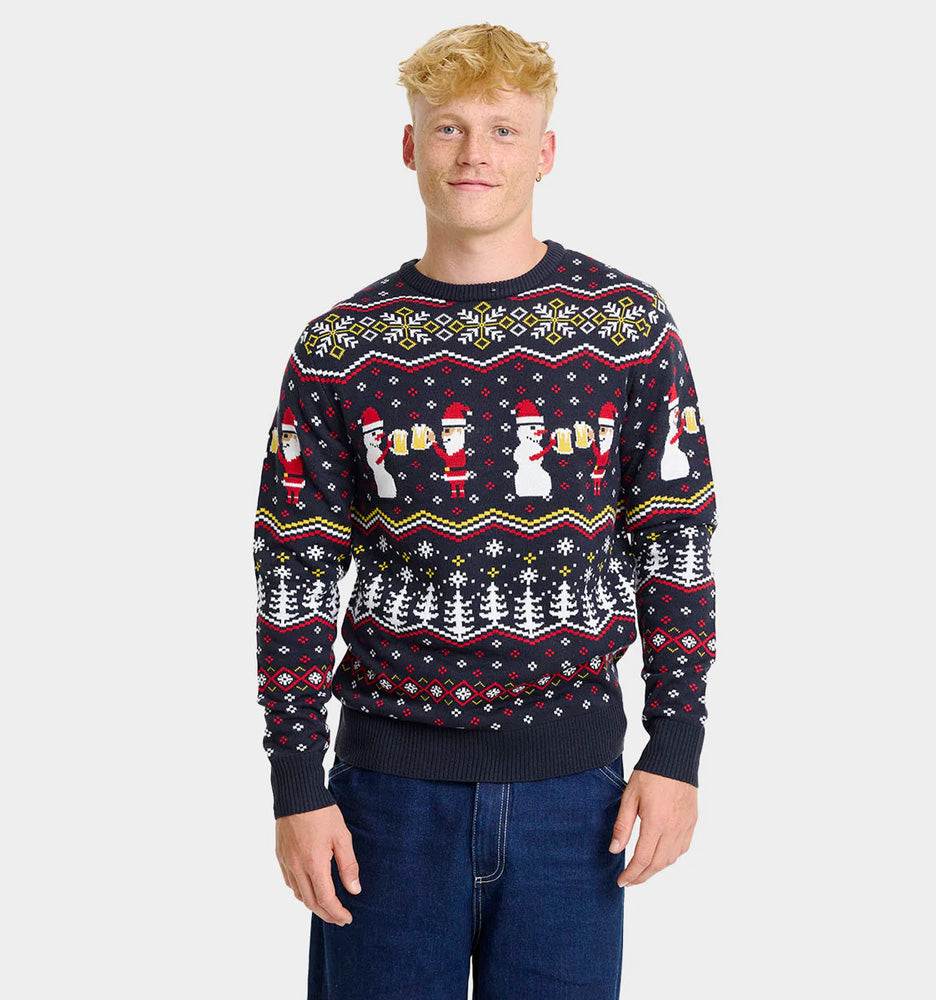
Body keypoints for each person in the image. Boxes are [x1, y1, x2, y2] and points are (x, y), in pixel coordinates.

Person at [252, 22, 720, 1000]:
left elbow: (676, 542)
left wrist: (675, 749)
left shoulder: (625, 327)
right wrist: (295, 780)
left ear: (544, 151)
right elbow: (293, 570)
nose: (475, 153)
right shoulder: (342, 347)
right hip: (383, 800)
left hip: (575, 798)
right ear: (409, 145)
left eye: (503, 130)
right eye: (449, 127)